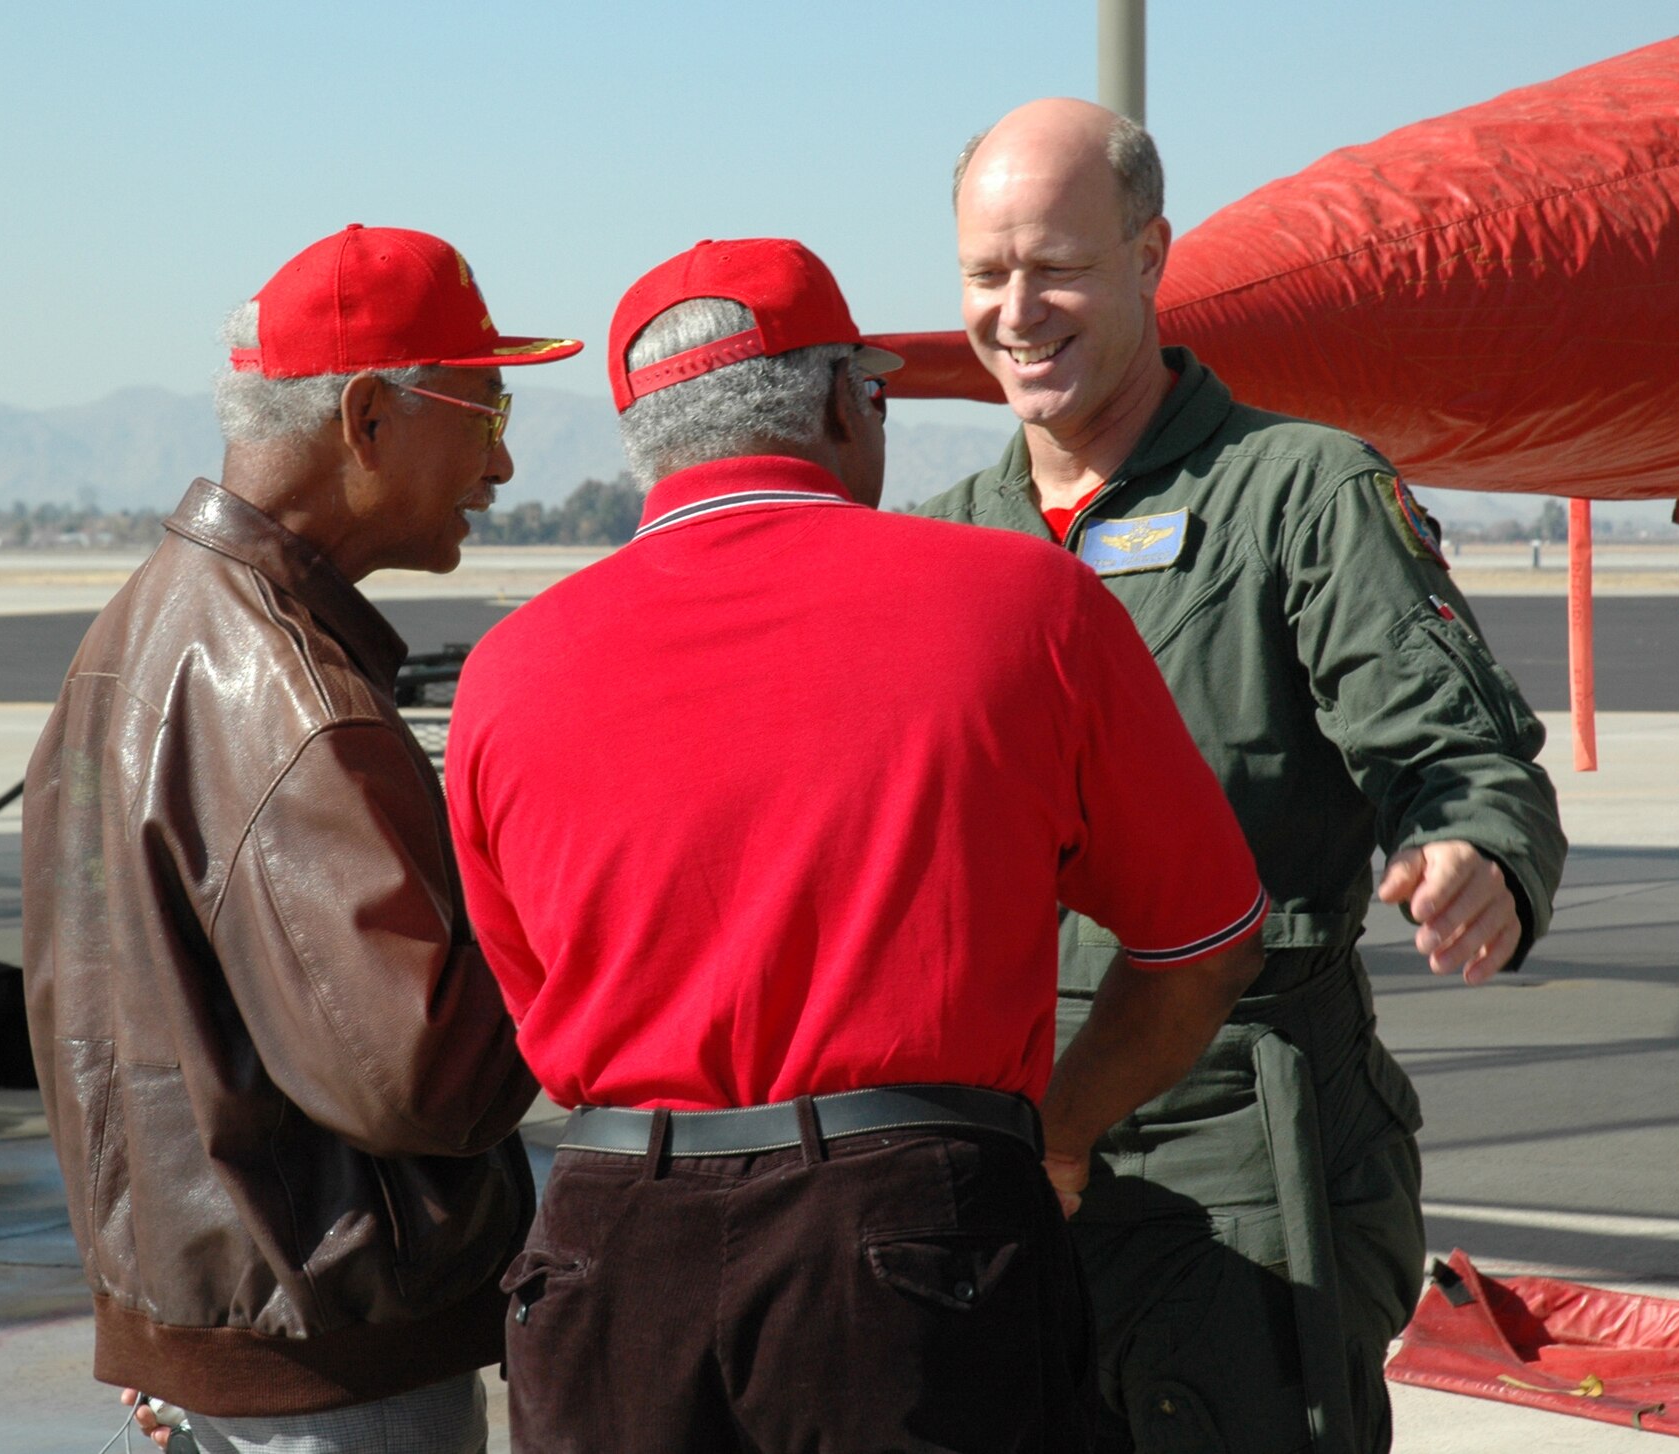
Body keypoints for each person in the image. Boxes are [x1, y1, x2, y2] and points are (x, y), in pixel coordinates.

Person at [443, 236, 1271, 1454]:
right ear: (843, 400)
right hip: (909, 1233)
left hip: (606, 1244)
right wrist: (1060, 1127)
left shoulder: (505, 672)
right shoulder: (1025, 602)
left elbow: (536, 1004)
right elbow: (1203, 938)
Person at [916, 99, 1567, 1453]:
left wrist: (1475, 851)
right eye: (988, 274)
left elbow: (1455, 749)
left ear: (1152, 256)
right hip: (992, 1147)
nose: (1019, 309)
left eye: (1060, 267)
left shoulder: (1300, 493)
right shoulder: (935, 550)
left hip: (1238, 1150)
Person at [22, 223, 577, 1453]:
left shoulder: (132, 631)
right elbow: (423, 1080)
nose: (502, 465)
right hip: (330, 1379)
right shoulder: (285, 694)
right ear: (369, 416)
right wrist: (556, 886)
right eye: (483, 413)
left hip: (218, 1349)